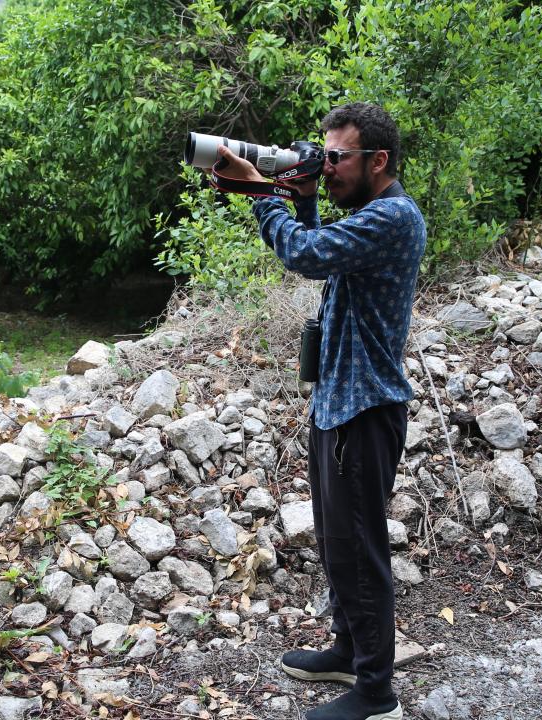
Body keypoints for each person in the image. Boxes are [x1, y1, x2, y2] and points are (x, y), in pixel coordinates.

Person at [213, 102, 426, 720]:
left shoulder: (392, 217)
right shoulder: (371, 215)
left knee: (360, 550)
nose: (326, 166)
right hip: (340, 403)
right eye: (323, 154)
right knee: (338, 544)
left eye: (337, 158)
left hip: (364, 410)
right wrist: (300, 195)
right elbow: (323, 247)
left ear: (377, 161)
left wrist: (263, 195)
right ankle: (346, 650)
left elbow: (304, 256)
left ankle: (376, 692)